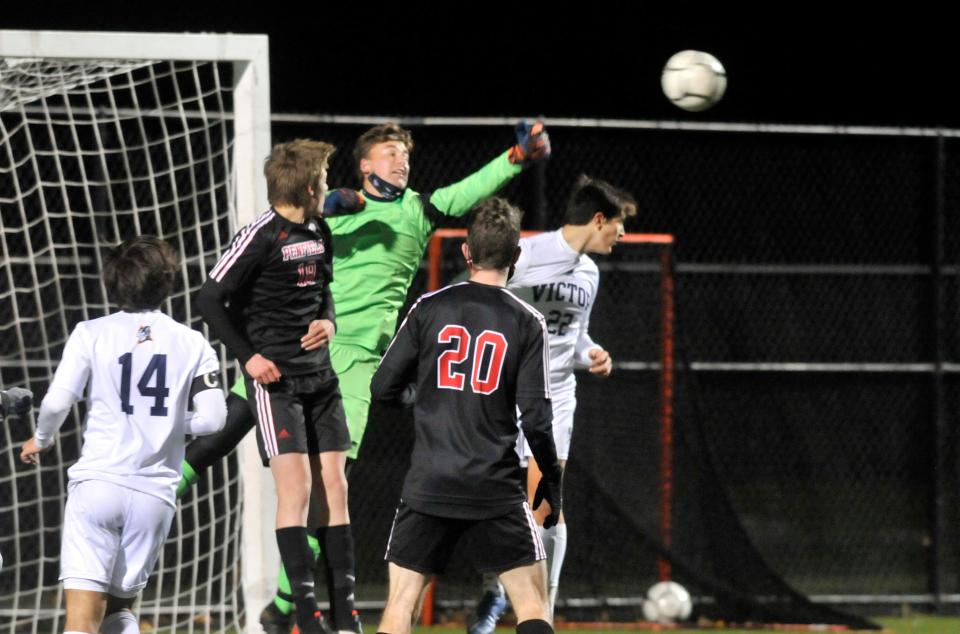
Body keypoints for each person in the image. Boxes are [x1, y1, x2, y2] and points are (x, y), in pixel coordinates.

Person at [177, 121, 550, 632]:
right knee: (218, 435)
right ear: (365, 165)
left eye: (404, 155)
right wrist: (327, 206)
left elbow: (466, 192)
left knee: (330, 486)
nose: (401, 162)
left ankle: (287, 606)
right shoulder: (327, 209)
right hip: (288, 350)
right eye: (389, 154)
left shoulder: (417, 210)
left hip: (351, 363)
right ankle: (146, 506)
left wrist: (516, 156)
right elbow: (283, 233)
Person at [370, 197, 562, 634]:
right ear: (515, 257)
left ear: (466, 253)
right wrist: (551, 479)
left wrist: (423, 397)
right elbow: (535, 417)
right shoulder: (527, 321)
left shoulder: (429, 307)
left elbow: (382, 388)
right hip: (493, 485)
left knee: (401, 605)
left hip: (429, 481)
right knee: (533, 603)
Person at [19, 235, 227, 634]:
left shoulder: (91, 333)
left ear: (111, 283)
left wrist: (41, 439)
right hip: (154, 497)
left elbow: (57, 403)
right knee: (121, 612)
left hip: (98, 486)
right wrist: (165, 422)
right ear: (168, 281)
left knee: (81, 622)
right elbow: (214, 420)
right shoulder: (194, 343)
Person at [194, 138, 359, 634]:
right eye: (325, 179)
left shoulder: (318, 228)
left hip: (322, 378)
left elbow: (323, 291)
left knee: (336, 486)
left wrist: (328, 323)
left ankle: (345, 615)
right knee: (298, 490)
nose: (329, 186)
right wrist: (250, 358)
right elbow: (208, 298)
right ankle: (307, 620)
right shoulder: (259, 236)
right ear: (310, 187)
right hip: (278, 386)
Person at [468, 176, 636, 633]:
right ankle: (493, 588)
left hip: (556, 397)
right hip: (504, 396)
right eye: (617, 226)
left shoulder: (589, 273)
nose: (621, 236)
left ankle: (545, 613)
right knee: (498, 504)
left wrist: (592, 354)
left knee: (547, 508)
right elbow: (481, 298)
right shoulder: (527, 254)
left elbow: (574, 338)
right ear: (598, 219)